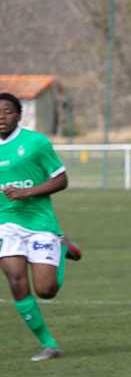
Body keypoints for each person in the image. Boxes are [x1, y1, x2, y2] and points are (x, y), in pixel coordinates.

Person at [0, 92, 73, 361]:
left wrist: (26, 193)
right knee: (16, 282)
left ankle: (63, 248)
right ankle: (49, 344)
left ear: (19, 115)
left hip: (39, 223)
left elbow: (61, 179)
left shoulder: (36, 143)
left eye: (7, 111)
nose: (1, 116)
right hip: (5, 225)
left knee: (46, 290)